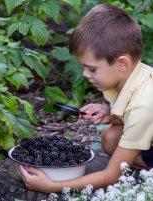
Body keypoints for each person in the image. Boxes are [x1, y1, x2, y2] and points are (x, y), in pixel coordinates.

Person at [18, 4, 153, 193]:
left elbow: (111, 176)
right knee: (110, 137)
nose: (85, 74)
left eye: (92, 69)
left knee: (115, 149)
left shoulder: (143, 107)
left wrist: (52, 186)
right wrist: (112, 115)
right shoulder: (139, 76)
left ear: (122, 63)